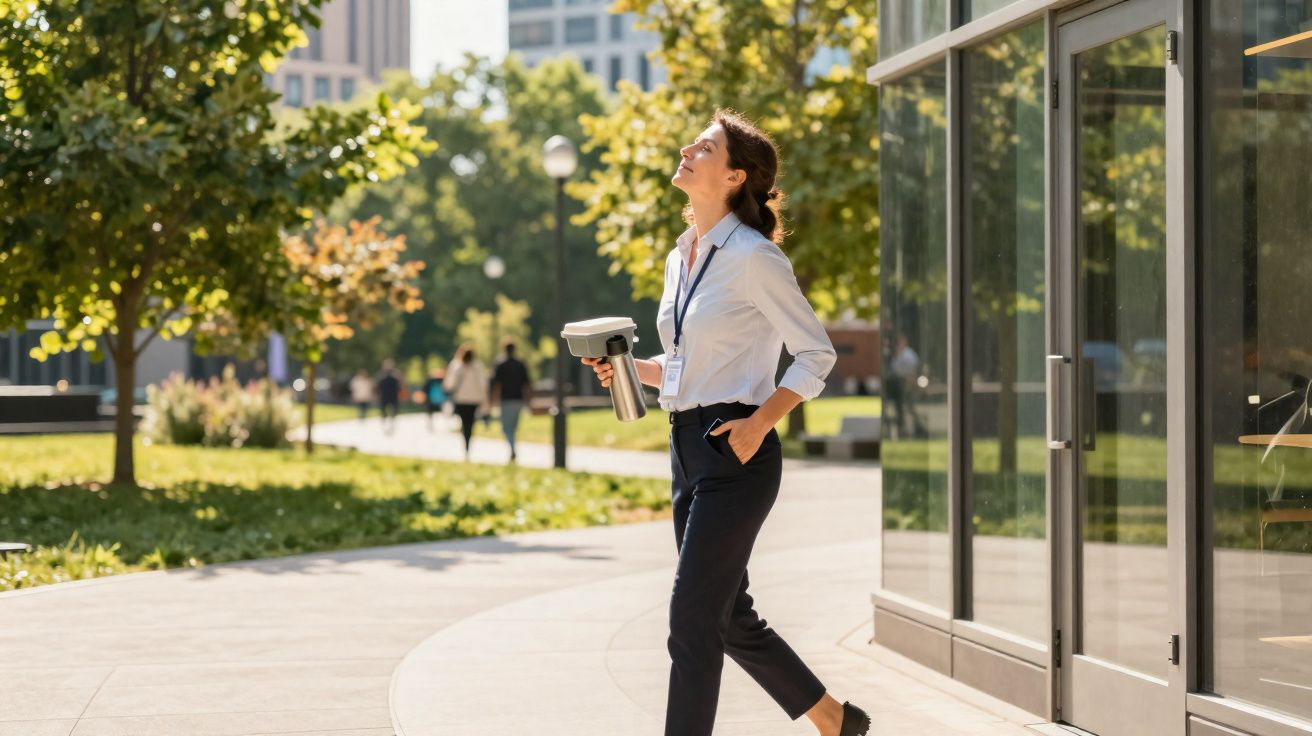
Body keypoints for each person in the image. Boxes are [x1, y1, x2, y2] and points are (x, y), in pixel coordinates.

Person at [581, 110, 870, 736]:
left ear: (735, 176)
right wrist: (633, 371)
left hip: (737, 452)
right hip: (687, 448)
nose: (688, 147)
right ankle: (836, 721)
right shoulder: (680, 254)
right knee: (727, 615)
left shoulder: (753, 257)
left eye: (704, 146)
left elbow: (816, 353)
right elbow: (690, 365)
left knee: (692, 621)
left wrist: (760, 423)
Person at [489, 339, 534, 463]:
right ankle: (513, 448)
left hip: (506, 400)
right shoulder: (520, 364)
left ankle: (512, 449)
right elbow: (527, 384)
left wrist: (493, 401)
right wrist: (529, 401)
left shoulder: (500, 364)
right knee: (513, 427)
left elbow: (497, 384)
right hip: (518, 400)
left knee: (506, 428)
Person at [443, 344, 488, 460]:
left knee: (464, 423)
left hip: (461, 399)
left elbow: (449, 384)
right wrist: (484, 400)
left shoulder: (456, 366)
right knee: (470, 423)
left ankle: (466, 445)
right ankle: (468, 444)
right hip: (474, 400)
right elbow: (483, 385)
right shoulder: (477, 367)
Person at [375, 359, 402, 434]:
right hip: (386, 396)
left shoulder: (395, 376)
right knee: (385, 411)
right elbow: (377, 387)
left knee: (392, 411)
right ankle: (386, 423)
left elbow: (399, 387)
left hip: (392, 396)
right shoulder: (382, 376)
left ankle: (390, 422)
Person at [422, 367, 448, 432]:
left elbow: (425, 390)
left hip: (431, 399)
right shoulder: (443, 380)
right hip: (442, 399)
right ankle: (444, 425)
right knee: (443, 412)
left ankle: (431, 424)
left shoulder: (430, 381)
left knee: (430, 413)